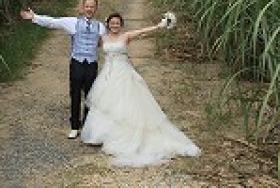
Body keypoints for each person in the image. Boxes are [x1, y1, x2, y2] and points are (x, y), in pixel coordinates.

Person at [80, 12, 201, 167]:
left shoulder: (126, 36)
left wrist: (161, 25)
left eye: (117, 23)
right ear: (108, 25)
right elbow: (86, 40)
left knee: (126, 102)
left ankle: (125, 135)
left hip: (123, 73)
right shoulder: (102, 38)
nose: (114, 25)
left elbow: (143, 31)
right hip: (107, 75)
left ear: (121, 25)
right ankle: (101, 135)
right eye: (112, 23)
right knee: (106, 103)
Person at [19, 0, 106, 139]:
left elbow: (104, 43)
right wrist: (34, 17)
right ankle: (74, 126)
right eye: (87, 6)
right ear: (82, 8)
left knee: (91, 95)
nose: (90, 9)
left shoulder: (101, 26)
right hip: (77, 62)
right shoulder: (73, 22)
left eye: (92, 7)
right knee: (75, 93)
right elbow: (54, 22)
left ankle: (88, 124)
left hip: (92, 63)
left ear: (96, 9)